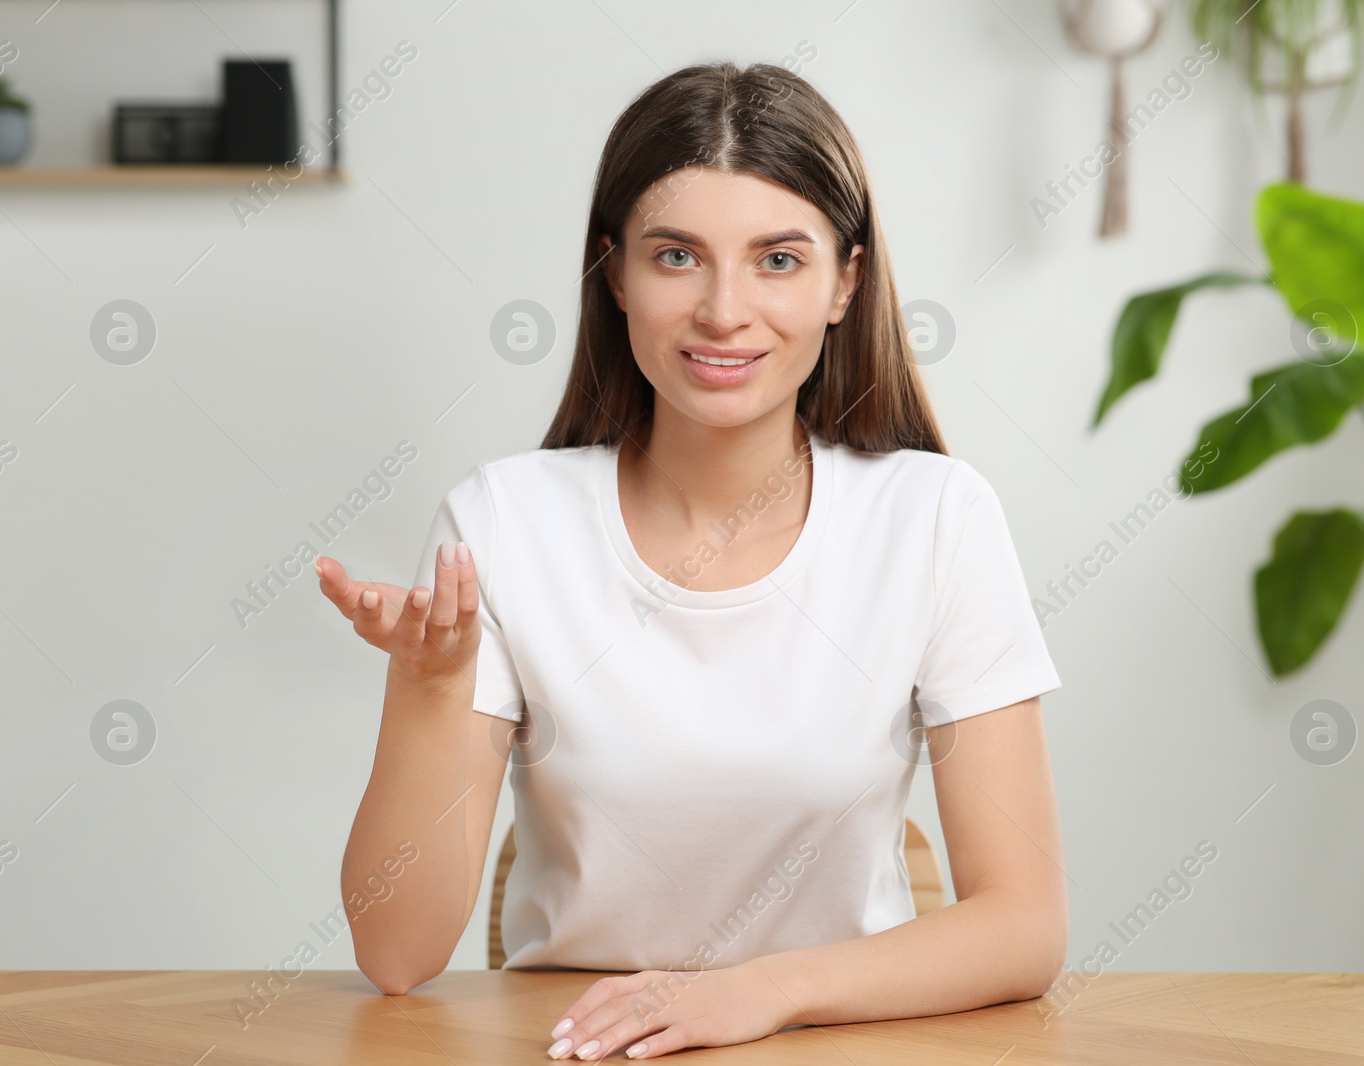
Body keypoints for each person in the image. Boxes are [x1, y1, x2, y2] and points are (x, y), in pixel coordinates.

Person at [316, 59, 1066, 1061]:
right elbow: (397, 954)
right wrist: (429, 686)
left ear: (847, 280)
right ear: (614, 271)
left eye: (778, 259)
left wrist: (760, 994)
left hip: (839, 1040)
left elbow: (1023, 923)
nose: (722, 309)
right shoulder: (502, 519)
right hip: (573, 1046)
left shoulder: (935, 516)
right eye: (676, 256)